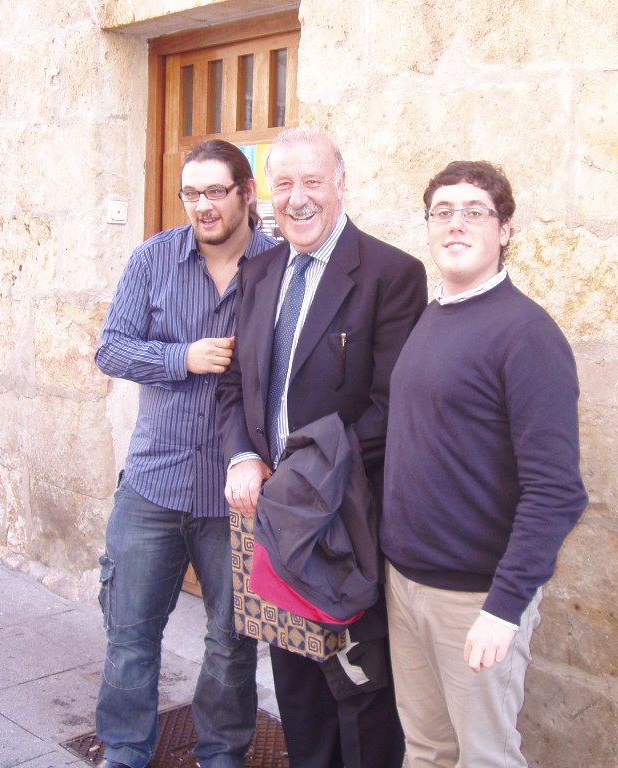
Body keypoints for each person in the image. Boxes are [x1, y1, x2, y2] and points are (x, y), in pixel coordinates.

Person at [216, 126, 428, 768]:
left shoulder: (390, 274)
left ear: (341, 186)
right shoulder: (258, 271)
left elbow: (391, 407)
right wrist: (242, 455)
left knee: (358, 686)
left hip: (343, 514)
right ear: (265, 195)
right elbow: (234, 386)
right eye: (284, 184)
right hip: (271, 516)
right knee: (297, 685)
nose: (298, 198)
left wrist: (302, 473)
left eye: (313, 182)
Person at [380, 160, 588, 768]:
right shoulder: (431, 315)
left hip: (475, 598)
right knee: (426, 750)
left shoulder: (526, 335)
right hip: (407, 584)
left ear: (505, 230)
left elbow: (556, 492)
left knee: (485, 757)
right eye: (442, 212)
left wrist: (505, 606)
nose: (456, 224)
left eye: (475, 212)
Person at [93, 139, 277, 768]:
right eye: (191, 194)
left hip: (238, 497)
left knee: (232, 642)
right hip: (154, 483)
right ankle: (123, 750)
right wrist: (181, 357)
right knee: (130, 634)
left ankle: (221, 755)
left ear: (247, 193)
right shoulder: (153, 259)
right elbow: (111, 349)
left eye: (215, 192)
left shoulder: (281, 267)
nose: (202, 206)